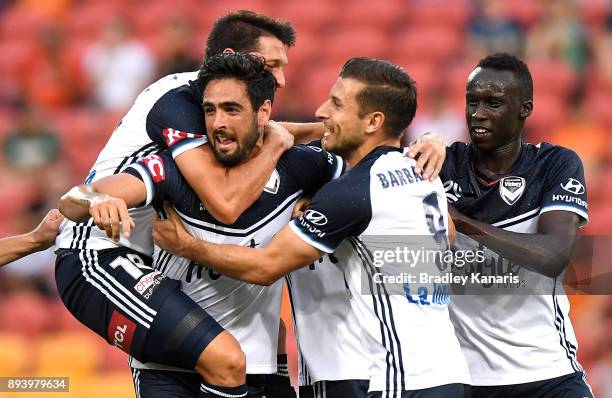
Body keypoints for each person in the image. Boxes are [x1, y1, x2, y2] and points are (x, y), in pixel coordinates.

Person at [153, 57, 471, 398]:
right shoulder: (423, 174)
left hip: (398, 381)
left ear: (373, 122)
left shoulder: (355, 192)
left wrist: (189, 246)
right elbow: (447, 236)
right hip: (449, 371)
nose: (321, 112)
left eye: (336, 104)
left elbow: (264, 266)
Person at [61, 52, 346, 397]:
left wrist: (426, 144)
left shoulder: (301, 167)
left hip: (256, 358)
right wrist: (96, 201)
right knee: (226, 360)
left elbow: (374, 163)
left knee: (232, 361)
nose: (217, 123)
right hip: (173, 365)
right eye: (210, 110)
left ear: (264, 113)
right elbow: (76, 198)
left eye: (231, 110)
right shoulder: (176, 169)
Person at [440, 53, 594, 398]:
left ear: (525, 109)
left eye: (493, 103)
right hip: (467, 378)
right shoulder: (444, 166)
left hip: (548, 372)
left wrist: (462, 222)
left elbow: (553, 255)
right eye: (472, 102)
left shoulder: (553, 164)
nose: (477, 114)